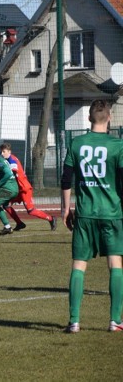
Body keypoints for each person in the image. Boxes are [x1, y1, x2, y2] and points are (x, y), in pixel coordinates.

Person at [61, 100, 123, 333]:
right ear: (110, 118)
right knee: (115, 263)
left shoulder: (76, 143)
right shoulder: (118, 146)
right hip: (112, 212)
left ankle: (74, 321)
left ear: (88, 119)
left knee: (79, 264)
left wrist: (66, 209)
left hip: (85, 214)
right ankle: (115, 320)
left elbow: (66, 179)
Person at [0, 142, 57, 231]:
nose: (2, 154)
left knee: (31, 211)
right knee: (6, 205)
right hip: (17, 189)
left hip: (24, 188)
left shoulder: (11, 160)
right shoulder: (9, 159)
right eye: (1, 152)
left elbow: (13, 170)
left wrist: (3, 176)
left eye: (4, 151)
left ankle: (51, 219)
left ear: (9, 151)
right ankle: (19, 223)